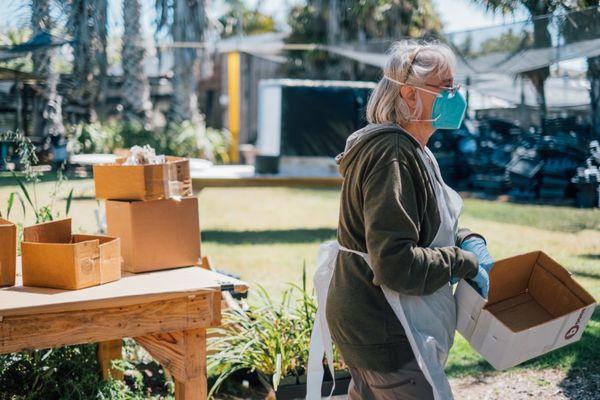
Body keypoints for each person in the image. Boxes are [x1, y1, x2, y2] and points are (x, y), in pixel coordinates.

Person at [324, 40, 493, 399]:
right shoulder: (393, 153)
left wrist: (468, 238)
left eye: (455, 86)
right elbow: (396, 264)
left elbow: (427, 224)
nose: (455, 95)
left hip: (366, 320)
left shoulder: (414, 149)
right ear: (410, 95)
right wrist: (464, 262)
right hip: (383, 327)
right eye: (445, 87)